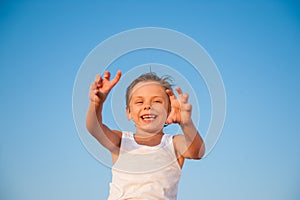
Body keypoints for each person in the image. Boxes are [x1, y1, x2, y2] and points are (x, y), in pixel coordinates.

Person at [86, 70, 205, 200]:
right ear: (129, 113)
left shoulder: (174, 144)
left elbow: (197, 152)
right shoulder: (121, 141)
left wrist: (186, 123)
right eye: (139, 102)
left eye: (157, 102)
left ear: (169, 111)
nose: (148, 106)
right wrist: (96, 104)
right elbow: (94, 128)